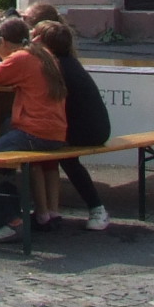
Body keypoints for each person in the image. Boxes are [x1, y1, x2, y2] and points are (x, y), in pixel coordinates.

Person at [0, 15, 70, 227]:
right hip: (54, 132)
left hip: (34, 133)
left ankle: (10, 222)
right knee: (0, 164)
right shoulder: (43, 54)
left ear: (3, 41)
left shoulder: (21, 59)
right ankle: (14, 216)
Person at [34, 19, 112, 232]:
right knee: (46, 146)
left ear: (40, 41)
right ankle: (46, 211)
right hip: (92, 126)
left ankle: (96, 208)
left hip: (88, 130)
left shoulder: (54, 66)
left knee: (58, 153)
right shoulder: (66, 61)